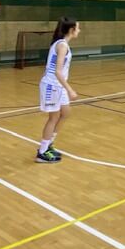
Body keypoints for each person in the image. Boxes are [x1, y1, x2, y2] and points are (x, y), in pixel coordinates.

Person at [37, 17, 80, 163]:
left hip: (58, 85)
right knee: (53, 118)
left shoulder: (63, 44)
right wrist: (70, 90)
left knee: (66, 113)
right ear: (71, 30)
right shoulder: (61, 45)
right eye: (78, 28)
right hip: (52, 85)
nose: (79, 30)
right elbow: (57, 71)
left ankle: (49, 144)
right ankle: (42, 152)